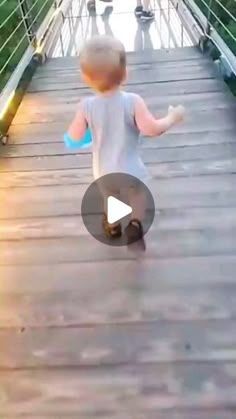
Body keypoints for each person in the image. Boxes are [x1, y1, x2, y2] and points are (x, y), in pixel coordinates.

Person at [66, 36, 184, 246]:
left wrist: (87, 131)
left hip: (103, 171)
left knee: (110, 199)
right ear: (125, 73)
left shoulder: (86, 106)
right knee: (137, 194)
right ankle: (135, 224)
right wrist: (172, 118)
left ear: (85, 78)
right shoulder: (132, 101)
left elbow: (74, 138)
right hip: (130, 169)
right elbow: (152, 130)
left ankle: (112, 227)